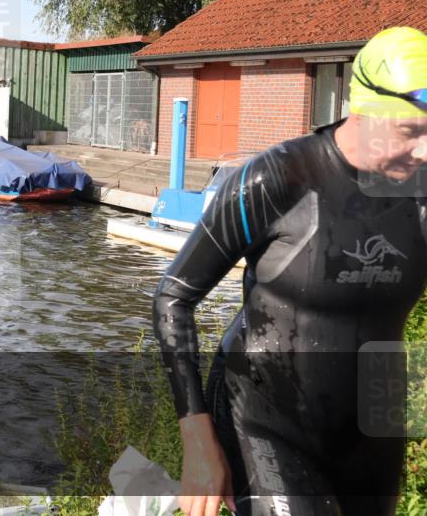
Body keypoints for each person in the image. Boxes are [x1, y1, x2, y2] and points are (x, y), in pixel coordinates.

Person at [153, 27, 427, 516]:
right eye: (412, 132)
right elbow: (173, 297)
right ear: (363, 113)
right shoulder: (275, 180)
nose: (425, 152)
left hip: (374, 423)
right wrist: (197, 442)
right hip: (265, 416)